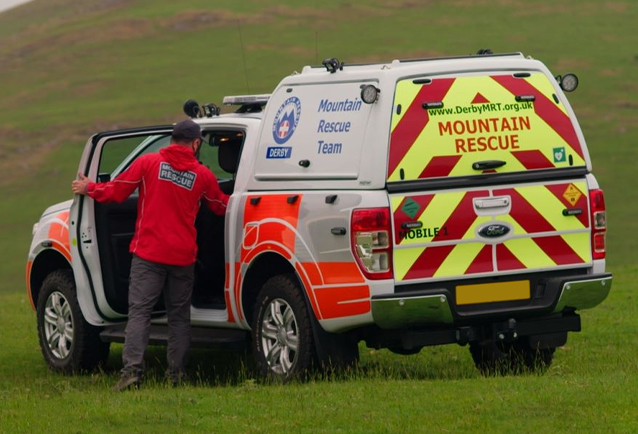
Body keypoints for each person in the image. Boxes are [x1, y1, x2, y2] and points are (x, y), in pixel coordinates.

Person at [71, 119, 229, 391]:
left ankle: (132, 372)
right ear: (195, 143)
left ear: (171, 140)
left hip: (149, 255)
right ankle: (177, 375)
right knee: (179, 317)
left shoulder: (149, 163)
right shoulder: (203, 175)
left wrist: (89, 188)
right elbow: (219, 206)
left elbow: (117, 192)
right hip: (183, 258)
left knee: (140, 314)